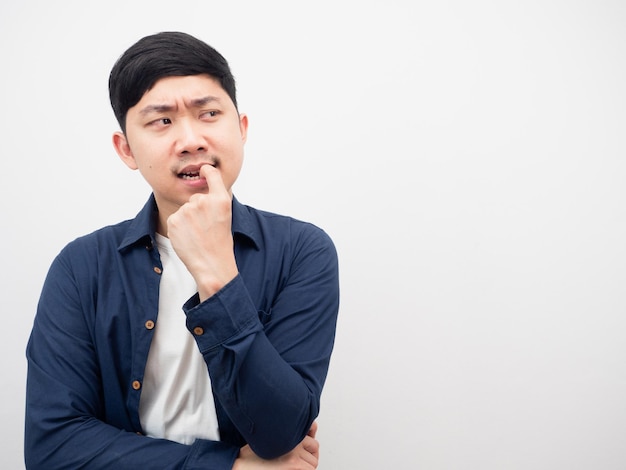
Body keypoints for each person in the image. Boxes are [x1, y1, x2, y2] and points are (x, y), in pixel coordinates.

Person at [24, 31, 339, 469]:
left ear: (242, 129)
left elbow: (280, 433)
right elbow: (53, 447)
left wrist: (218, 276)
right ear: (126, 149)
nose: (191, 140)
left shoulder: (302, 251)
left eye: (209, 113)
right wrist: (227, 466)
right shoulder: (81, 267)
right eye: (162, 121)